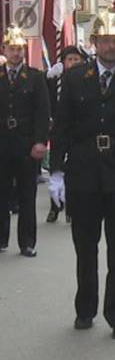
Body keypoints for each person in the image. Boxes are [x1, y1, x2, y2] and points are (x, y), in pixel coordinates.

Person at [49, 6, 115, 340]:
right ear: (94, 42)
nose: (110, 47)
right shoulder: (74, 77)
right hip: (82, 170)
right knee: (85, 246)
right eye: (105, 40)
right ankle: (85, 307)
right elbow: (62, 128)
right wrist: (56, 171)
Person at [0, 26, 50, 257]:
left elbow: (42, 112)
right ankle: (1, 239)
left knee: (26, 194)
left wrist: (40, 141)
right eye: (12, 49)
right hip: (2, 143)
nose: (16, 53)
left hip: (26, 144)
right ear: (4, 50)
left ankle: (27, 242)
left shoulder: (35, 77)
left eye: (20, 49)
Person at [45, 45, 88, 224]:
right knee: (56, 167)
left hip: (78, 131)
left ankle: (72, 207)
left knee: (74, 170)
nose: (72, 63)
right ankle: (55, 207)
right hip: (58, 130)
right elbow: (44, 99)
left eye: (76, 59)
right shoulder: (56, 79)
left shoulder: (86, 80)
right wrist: (47, 77)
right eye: (69, 59)